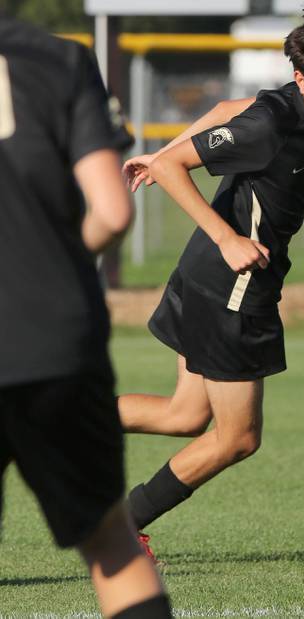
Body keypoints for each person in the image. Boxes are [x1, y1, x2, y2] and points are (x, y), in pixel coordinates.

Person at [117, 4, 304, 562]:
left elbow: (223, 108)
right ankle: (121, 524)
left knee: (184, 416)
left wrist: (162, 153)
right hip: (231, 286)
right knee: (238, 438)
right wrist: (225, 235)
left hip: (204, 278)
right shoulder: (273, 124)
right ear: (303, 79)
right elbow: (177, 167)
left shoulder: (292, 105)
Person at [0, 16, 172, 619]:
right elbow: (112, 211)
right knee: (112, 547)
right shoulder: (60, 61)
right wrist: (51, 267)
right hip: (55, 338)